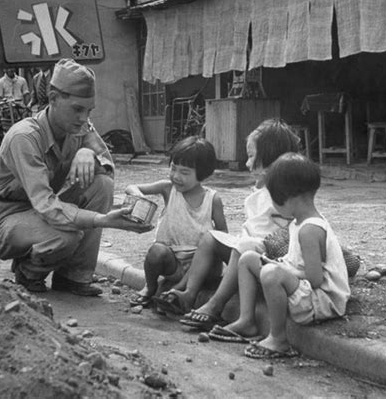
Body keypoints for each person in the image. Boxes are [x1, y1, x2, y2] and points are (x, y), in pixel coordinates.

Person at [0, 58, 149, 296]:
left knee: (101, 184)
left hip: (43, 213)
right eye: (77, 109)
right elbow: (45, 204)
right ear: (52, 99)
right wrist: (103, 219)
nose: (84, 118)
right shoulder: (25, 137)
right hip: (6, 219)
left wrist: (87, 152)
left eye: (88, 111)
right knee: (67, 236)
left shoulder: (79, 127)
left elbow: (108, 168)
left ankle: (73, 276)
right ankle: (28, 272)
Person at [212, 153, 350, 359]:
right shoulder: (298, 222)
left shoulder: (310, 230)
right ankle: (247, 320)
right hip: (306, 290)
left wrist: (280, 268)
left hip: (321, 300)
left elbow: (315, 279)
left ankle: (279, 338)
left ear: (286, 197)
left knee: (270, 273)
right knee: (248, 258)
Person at [176, 119, 300, 329]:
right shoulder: (260, 192)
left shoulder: (286, 194)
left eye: (252, 157)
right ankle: (189, 293)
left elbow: (280, 237)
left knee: (244, 246)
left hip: (272, 260)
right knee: (210, 238)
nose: (247, 164)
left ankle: (215, 305)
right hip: (247, 251)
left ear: (271, 162)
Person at [125, 136, 227, 312]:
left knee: (211, 253)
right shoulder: (168, 189)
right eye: (173, 169)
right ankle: (150, 287)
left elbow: (223, 235)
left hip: (202, 266)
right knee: (156, 251)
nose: (176, 176)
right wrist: (139, 199)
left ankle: (177, 290)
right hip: (173, 262)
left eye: (185, 172)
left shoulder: (212, 200)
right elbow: (132, 187)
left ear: (202, 174)